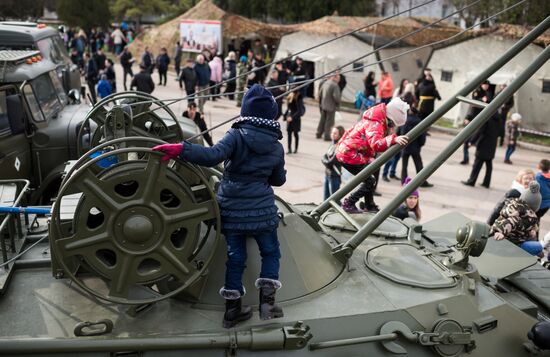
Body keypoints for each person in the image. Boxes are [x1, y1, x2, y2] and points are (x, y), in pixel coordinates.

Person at [152, 84, 286, 328]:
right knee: (270, 252)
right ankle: (268, 304)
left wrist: (181, 148)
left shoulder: (236, 135)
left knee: (235, 258)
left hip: (232, 208)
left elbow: (212, 155)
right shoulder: (276, 146)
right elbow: (278, 180)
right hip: (263, 210)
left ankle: (232, 311)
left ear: (245, 111)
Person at [336, 97, 410, 213]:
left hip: (351, 151)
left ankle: (369, 204)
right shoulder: (375, 124)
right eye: (392, 125)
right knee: (370, 181)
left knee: (370, 176)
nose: (392, 129)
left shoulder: (376, 118)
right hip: (349, 154)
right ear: (388, 120)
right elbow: (376, 144)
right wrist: (393, 139)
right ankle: (349, 202)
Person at [491, 181, 542, 256]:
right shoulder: (529, 216)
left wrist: (532, 230)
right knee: (538, 247)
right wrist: (500, 231)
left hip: (507, 235)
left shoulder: (513, 204)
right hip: (512, 242)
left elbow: (516, 223)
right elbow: (512, 222)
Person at [399, 92, 433, 187]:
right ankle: (422, 181)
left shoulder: (404, 120)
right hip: (415, 148)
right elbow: (422, 136)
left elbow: (401, 132)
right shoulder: (419, 122)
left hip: (405, 146)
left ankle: (403, 181)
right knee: (419, 165)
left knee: (404, 166)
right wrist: (421, 144)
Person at [461, 109, 500, 189]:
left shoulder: (487, 119)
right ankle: (486, 183)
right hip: (492, 145)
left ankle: (471, 181)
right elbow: (500, 132)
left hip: (483, 144)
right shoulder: (499, 119)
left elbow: (480, 131)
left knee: (477, 164)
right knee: (489, 165)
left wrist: (471, 142)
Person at [461, 80, 492, 165]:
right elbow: (473, 105)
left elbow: (490, 103)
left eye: (487, 85)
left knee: (480, 139)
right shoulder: (477, 91)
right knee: (466, 140)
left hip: (481, 119)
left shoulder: (488, 93)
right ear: (482, 84)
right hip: (473, 117)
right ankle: (465, 158)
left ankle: (477, 158)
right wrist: (481, 100)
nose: (486, 86)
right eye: (485, 85)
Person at [322, 126, 345, 201]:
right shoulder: (332, 144)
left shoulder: (340, 146)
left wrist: (324, 161)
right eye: (332, 133)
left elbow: (331, 162)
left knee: (334, 200)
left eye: (335, 133)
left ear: (340, 135)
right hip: (327, 174)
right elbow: (324, 156)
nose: (332, 135)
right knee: (325, 199)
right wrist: (325, 160)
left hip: (334, 176)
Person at [317, 73, 341, 141]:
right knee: (329, 122)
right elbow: (336, 97)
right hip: (331, 106)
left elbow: (320, 93)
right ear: (335, 77)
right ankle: (327, 136)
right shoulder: (335, 85)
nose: (339, 80)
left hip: (323, 104)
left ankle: (319, 133)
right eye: (338, 78)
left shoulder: (325, 83)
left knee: (322, 120)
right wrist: (338, 103)